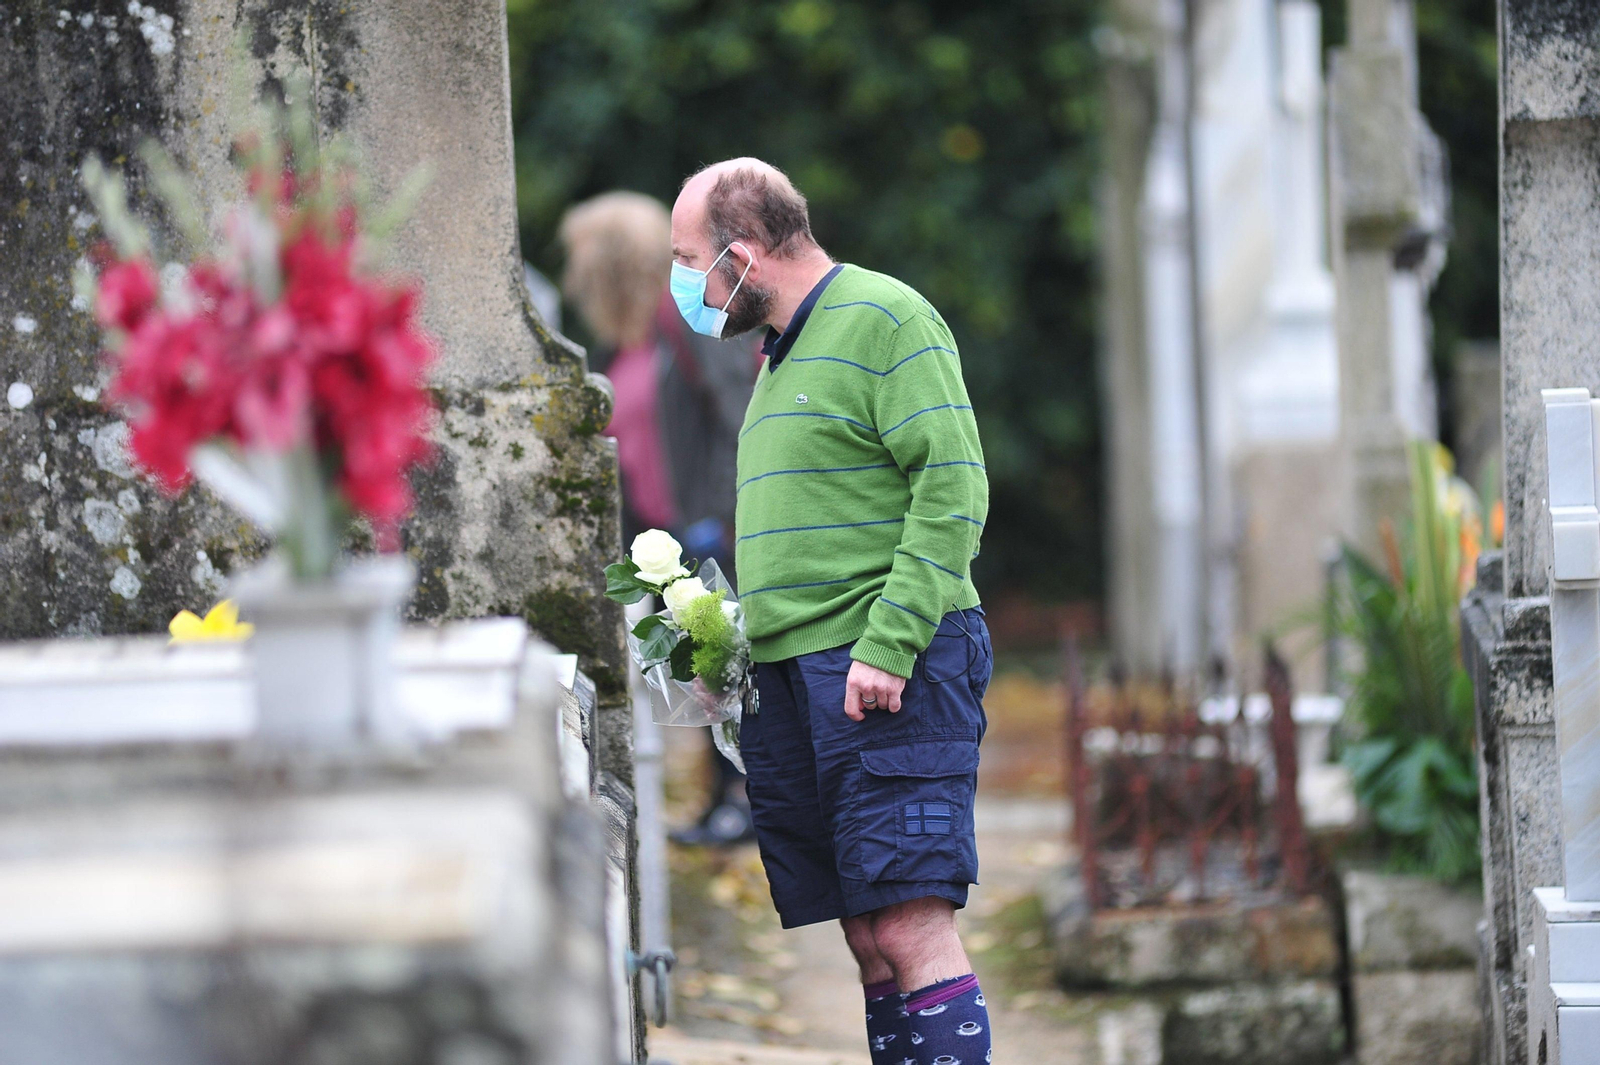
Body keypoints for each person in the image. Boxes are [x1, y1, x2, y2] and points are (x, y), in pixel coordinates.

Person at [670, 159, 994, 1065]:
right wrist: (725, 652)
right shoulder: (779, 353)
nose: (682, 286)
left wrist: (891, 645)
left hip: (885, 667)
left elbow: (954, 490)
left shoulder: (888, 319)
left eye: (686, 261)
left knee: (910, 926)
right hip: (802, 677)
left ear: (740, 257)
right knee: (867, 939)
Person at [558, 191, 759, 845]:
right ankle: (721, 800)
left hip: (711, 530)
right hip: (669, 542)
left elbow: (739, 416)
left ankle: (746, 803)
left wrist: (723, 515)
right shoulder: (630, 340)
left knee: (728, 670)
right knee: (707, 673)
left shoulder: (689, 324)